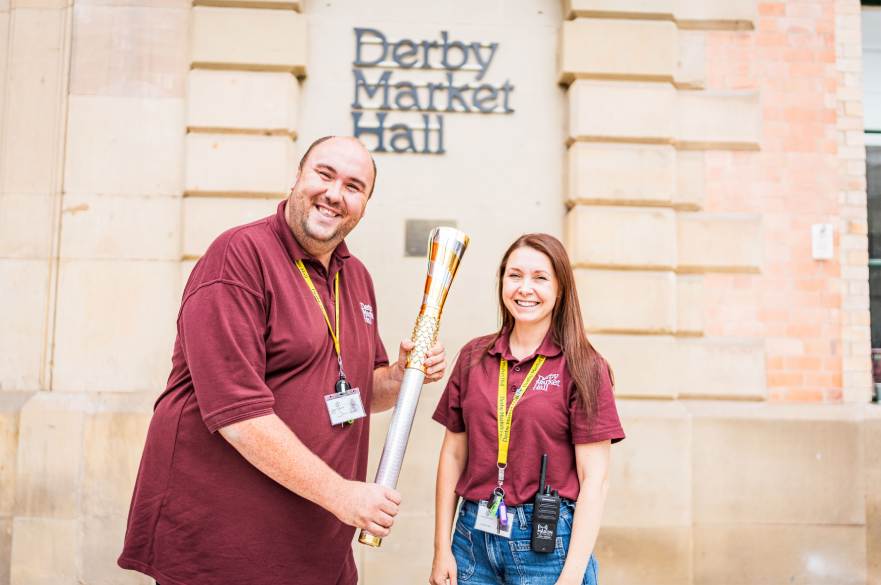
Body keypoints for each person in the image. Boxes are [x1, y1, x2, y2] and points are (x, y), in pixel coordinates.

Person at [118, 136, 446, 585]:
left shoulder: (356, 277)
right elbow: (238, 415)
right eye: (324, 175)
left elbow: (356, 390)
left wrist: (400, 376)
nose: (334, 194)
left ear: (365, 205)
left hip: (315, 549)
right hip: (225, 549)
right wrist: (344, 496)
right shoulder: (239, 256)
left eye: (354, 186)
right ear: (297, 178)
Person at [429, 233, 624, 585]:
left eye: (540, 277)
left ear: (560, 289)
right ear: (502, 281)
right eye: (514, 275)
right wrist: (441, 548)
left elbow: (595, 479)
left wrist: (572, 575)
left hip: (547, 545)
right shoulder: (474, 357)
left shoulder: (584, 366)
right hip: (472, 539)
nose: (525, 288)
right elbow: (453, 456)